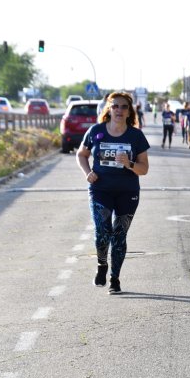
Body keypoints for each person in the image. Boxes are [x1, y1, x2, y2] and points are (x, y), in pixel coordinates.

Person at [76, 92, 150, 294]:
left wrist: (129, 163)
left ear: (129, 111)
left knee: (119, 235)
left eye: (123, 107)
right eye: (115, 106)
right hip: (101, 190)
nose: (119, 110)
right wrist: (88, 172)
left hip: (128, 192)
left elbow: (144, 169)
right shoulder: (96, 131)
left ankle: (115, 278)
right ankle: (102, 265)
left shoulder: (136, 136)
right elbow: (81, 154)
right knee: (102, 233)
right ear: (109, 109)